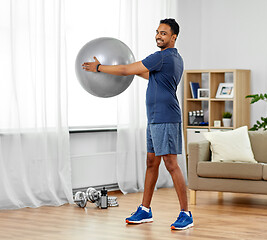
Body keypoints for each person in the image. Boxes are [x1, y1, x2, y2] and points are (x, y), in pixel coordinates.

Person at [82, 18, 193, 230]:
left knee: (171, 164)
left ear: (174, 37)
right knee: (152, 162)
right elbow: (144, 74)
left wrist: (99, 67)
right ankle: (145, 209)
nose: (158, 36)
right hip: (154, 118)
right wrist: (116, 68)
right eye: (157, 32)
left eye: (164, 33)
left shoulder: (163, 57)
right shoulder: (171, 59)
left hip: (166, 117)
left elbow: (126, 70)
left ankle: (186, 214)